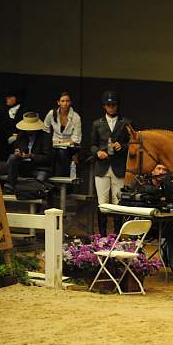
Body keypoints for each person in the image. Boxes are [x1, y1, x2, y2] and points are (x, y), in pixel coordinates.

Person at [91, 91, 132, 236]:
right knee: (102, 202)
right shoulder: (97, 123)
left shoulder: (126, 123)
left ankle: (117, 235)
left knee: (117, 201)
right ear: (104, 106)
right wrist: (97, 153)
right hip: (102, 166)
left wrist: (123, 146)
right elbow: (92, 145)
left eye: (113, 105)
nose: (111, 107)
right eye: (109, 105)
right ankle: (102, 236)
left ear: (117, 106)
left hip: (119, 166)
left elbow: (133, 143)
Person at [146, 164, 173, 276]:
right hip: (146, 226)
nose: (161, 172)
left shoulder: (168, 186)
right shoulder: (143, 185)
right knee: (172, 230)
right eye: (158, 169)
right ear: (152, 171)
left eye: (164, 170)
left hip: (163, 224)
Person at [3, 112, 53, 193]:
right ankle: (10, 186)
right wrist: (17, 152)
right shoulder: (21, 135)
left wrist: (32, 156)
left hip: (39, 168)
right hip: (24, 167)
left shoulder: (45, 137)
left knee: (39, 183)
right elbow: (17, 149)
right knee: (13, 157)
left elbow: (48, 158)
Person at [43, 91, 82, 176]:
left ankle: (67, 178)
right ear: (58, 102)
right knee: (50, 153)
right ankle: (49, 179)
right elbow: (45, 129)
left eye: (67, 101)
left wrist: (61, 143)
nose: (65, 103)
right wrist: (49, 142)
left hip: (70, 148)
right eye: (63, 101)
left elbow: (76, 139)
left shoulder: (76, 117)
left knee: (62, 152)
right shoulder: (52, 113)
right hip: (54, 144)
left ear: (70, 102)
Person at [0, 88, 27, 172]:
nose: (7, 99)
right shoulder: (1, 109)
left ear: (16, 98)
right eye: (7, 97)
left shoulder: (24, 110)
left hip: (20, 138)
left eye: (10, 97)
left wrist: (17, 135)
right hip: (3, 138)